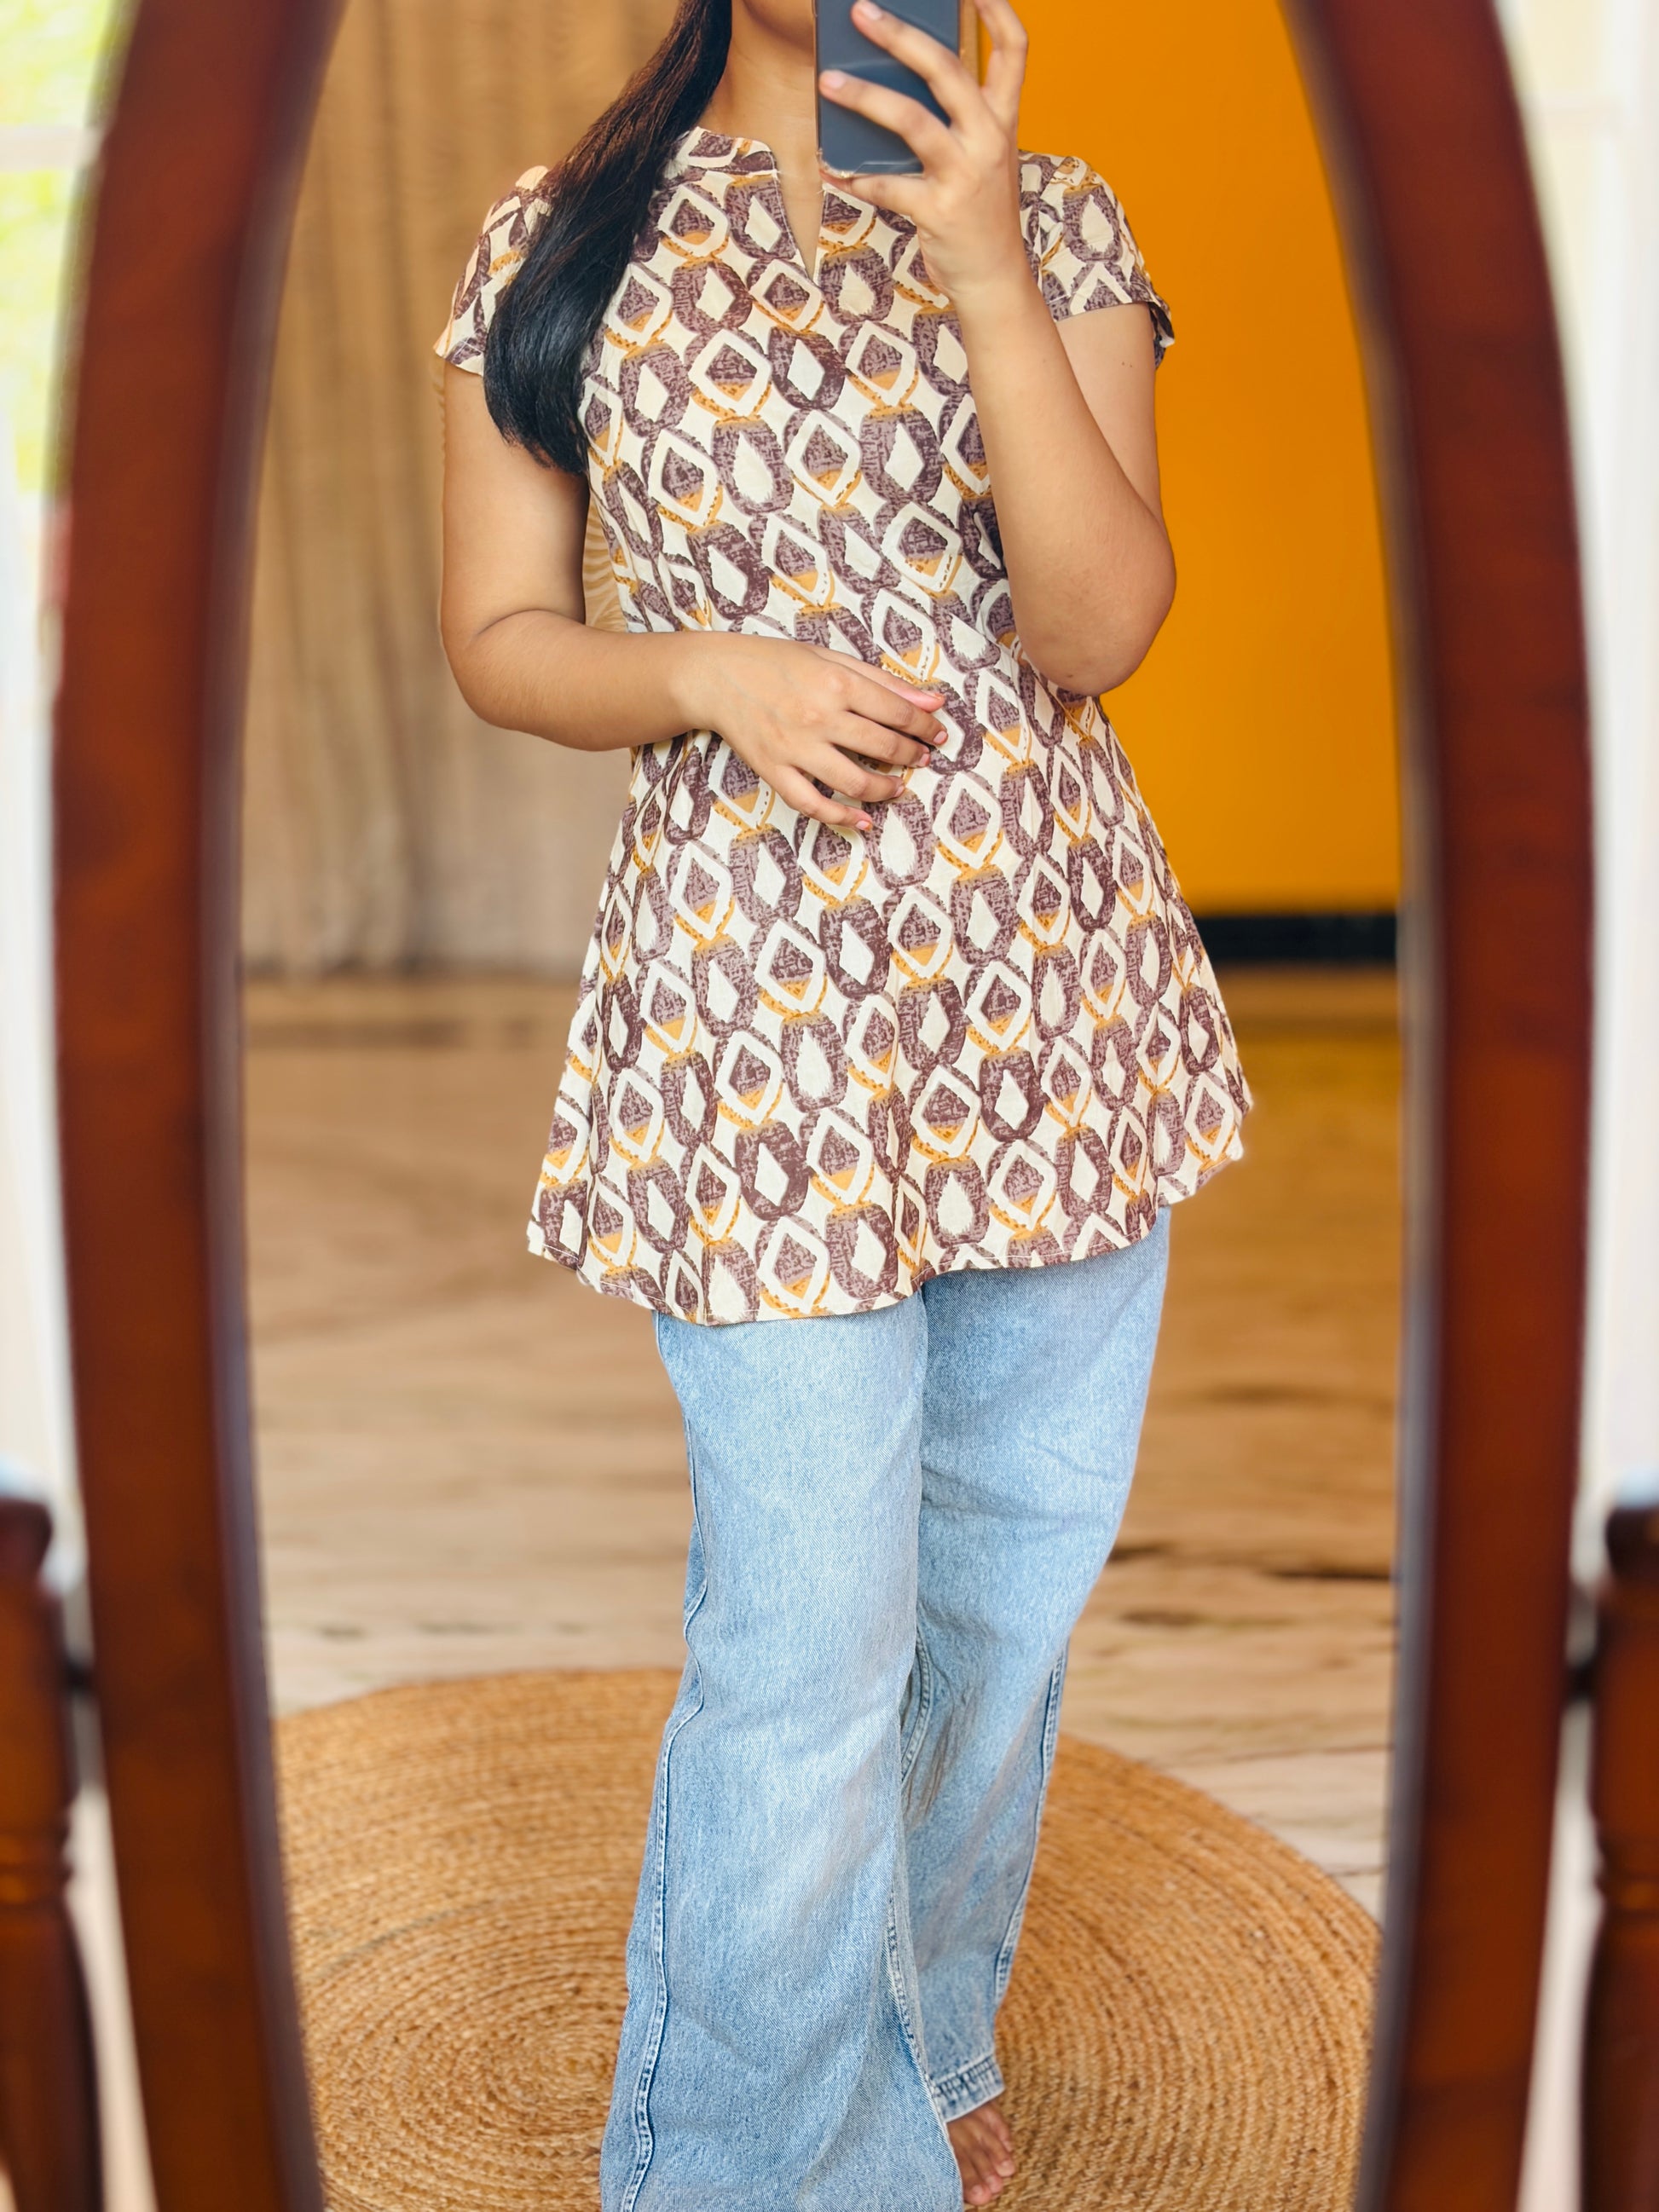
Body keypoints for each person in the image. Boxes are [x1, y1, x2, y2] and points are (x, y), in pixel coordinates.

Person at [436, 0, 1247, 2200]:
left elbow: (1094, 629)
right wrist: (709, 673)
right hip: (752, 1016)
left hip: (1050, 1002)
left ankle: (931, 2020)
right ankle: (747, 2166)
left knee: (994, 1603)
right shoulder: (557, 241)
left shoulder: (1057, 221)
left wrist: (981, 255)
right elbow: (501, 634)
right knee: (806, 1640)